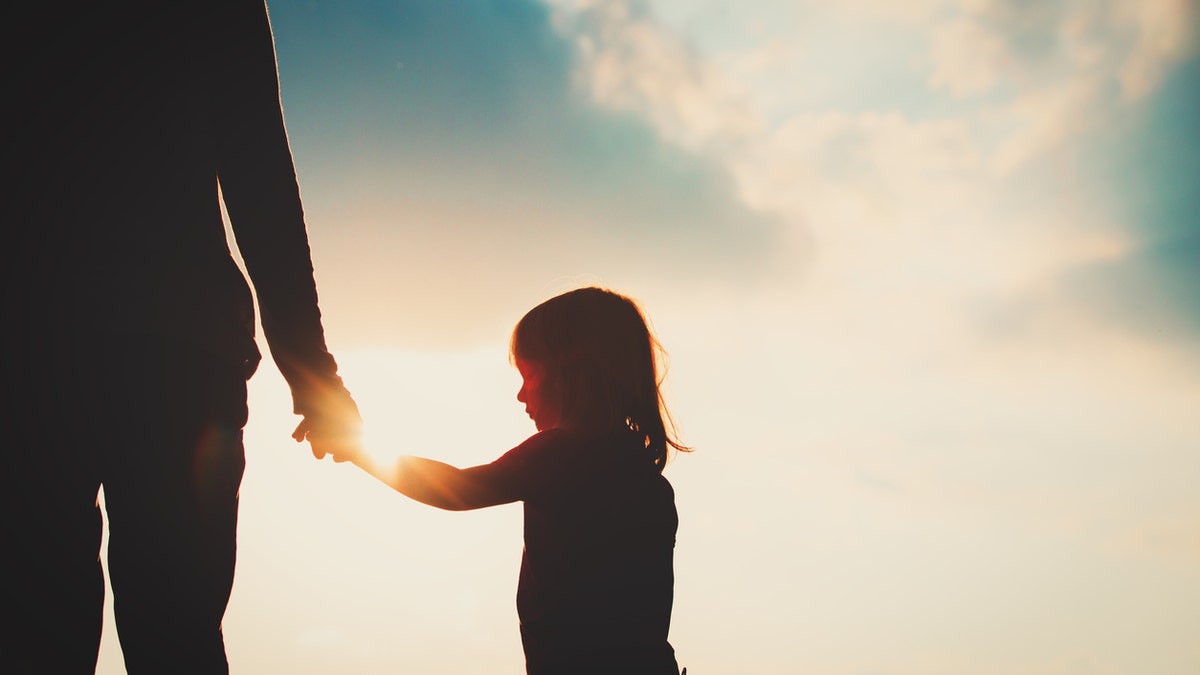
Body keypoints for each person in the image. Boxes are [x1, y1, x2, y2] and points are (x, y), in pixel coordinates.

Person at [1, 2, 360, 673]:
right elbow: (261, 182)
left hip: (33, 350)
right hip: (177, 352)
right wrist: (313, 373)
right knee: (176, 630)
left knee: (33, 626)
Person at [331, 287, 688, 675]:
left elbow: (456, 489)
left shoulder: (559, 456)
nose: (520, 395)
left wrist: (358, 448)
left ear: (572, 371)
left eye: (529, 374)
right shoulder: (645, 478)